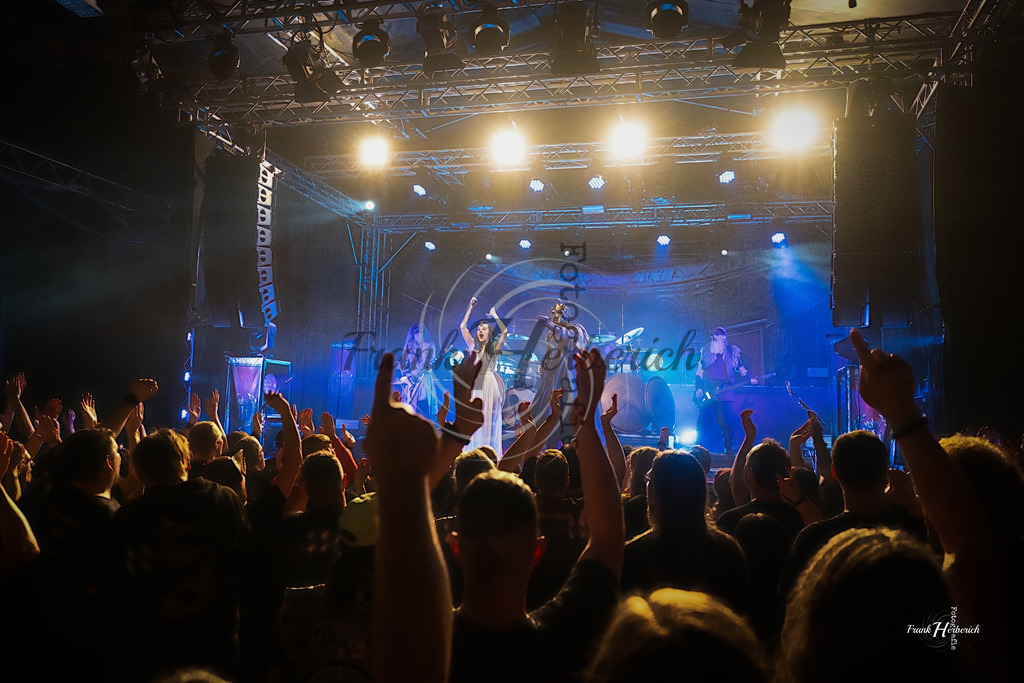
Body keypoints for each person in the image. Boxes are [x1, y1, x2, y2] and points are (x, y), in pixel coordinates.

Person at [694, 327, 756, 454]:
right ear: (713, 337)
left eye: (723, 336)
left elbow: (741, 368)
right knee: (703, 419)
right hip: (708, 389)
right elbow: (699, 372)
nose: (721, 338)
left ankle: (728, 448)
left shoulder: (731, 352)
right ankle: (697, 446)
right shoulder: (706, 351)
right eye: (717, 335)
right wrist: (698, 388)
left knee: (726, 420)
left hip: (725, 389)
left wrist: (750, 378)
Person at [460, 297, 507, 457]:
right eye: (479, 329)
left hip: (489, 384)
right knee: (475, 417)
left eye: (484, 329)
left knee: (488, 418)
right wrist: (470, 308)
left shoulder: (494, 349)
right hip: (476, 384)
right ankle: (473, 454)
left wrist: (494, 315)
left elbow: (505, 332)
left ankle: (488, 454)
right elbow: (462, 327)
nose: (480, 330)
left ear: (490, 333)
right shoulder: (473, 346)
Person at [530, 301, 588, 424]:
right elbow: (549, 352)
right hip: (551, 374)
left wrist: (548, 324)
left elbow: (565, 334)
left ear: (567, 316)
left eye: (559, 313)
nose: (555, 316)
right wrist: (543, 365)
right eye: (553, 313)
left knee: (567, 404)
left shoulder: (576, 329)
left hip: (568, 373)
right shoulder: (550, 335)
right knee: (545, 404)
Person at [397, 322, 439, 421]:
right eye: (416, 332)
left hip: (424, 378)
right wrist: (408, 373)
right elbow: (403, 363)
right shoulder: (408, 345)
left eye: (420, 332)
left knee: (424, 403)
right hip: (411, 379)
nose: (418, 334)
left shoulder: (429, 345)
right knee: (410, 405)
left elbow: (428, 363)